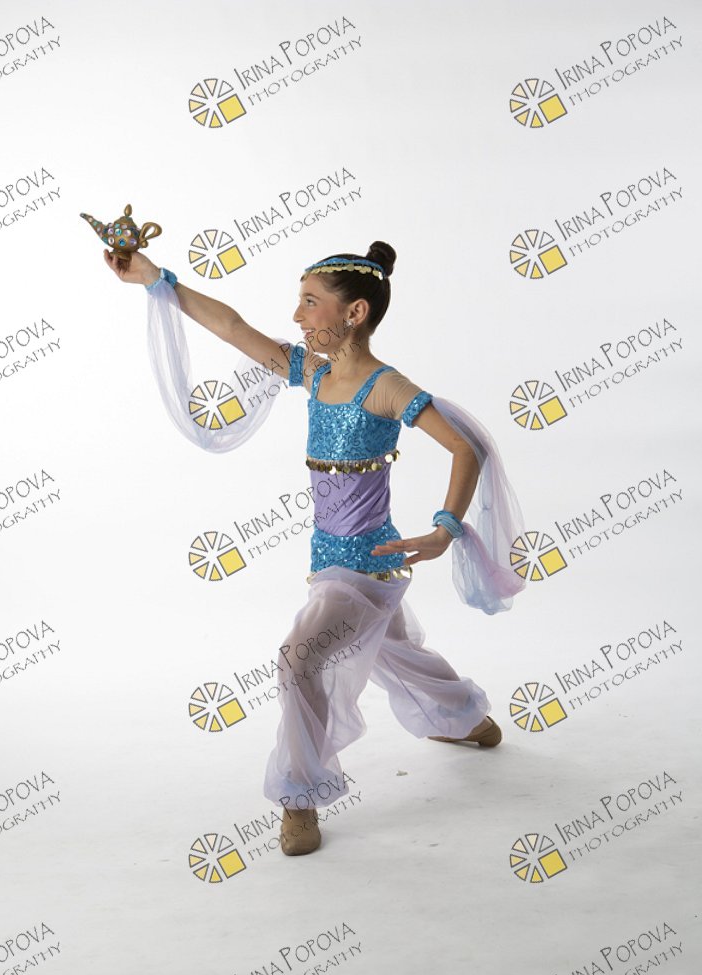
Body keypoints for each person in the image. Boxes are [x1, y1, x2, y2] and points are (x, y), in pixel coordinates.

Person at [104, 240, 526, 857]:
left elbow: (467, 447)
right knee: (391, 651)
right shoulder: (314, 373)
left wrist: (445, 528)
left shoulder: (385, 386)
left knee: (297, 660)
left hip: (367, 565)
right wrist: (156, 279)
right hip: (326, 557)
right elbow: (233, 327)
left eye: (309, 303)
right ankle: (467, 717)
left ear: (354, 313)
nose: (297, 316)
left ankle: (299, 796)